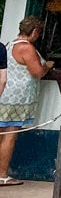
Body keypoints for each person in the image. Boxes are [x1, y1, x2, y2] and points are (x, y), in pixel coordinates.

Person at [0, 17, 51, 185]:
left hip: (5, 94)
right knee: (10, 135)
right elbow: (37, 72)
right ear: (34, 32)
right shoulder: (26, 48)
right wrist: (47, 66)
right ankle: (2, 175)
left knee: (2, 133)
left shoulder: (9, 45)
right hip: (18, 98)